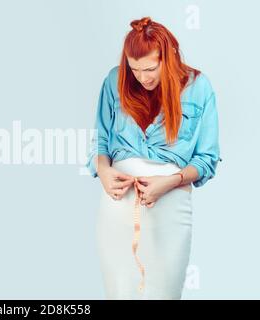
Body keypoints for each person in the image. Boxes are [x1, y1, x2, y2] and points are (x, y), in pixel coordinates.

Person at [85, 16, 222, 300]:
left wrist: (169, 182)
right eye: (135, 69)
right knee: (119, 292)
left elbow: (207, 158)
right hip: (117, 206)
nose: (142, 77)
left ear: (168, 57)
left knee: (164, 293)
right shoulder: (114, 80)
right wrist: (104, 171)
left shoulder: (199, 87)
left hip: (170, 204)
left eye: (150, 68)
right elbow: (100, 138)